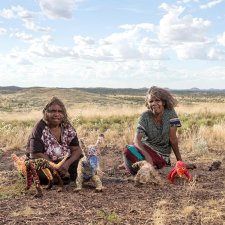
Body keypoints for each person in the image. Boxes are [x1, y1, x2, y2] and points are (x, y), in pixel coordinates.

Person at [122, 86, 183, 175]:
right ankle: (143, 166)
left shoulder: (171, 114)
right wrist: (147, 157)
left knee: (138, 162)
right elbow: (136, 140)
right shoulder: (145, 116)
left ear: (163, 102)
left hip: (161, 155)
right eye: (151, 101)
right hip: (145, 150)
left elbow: (173, 140)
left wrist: (180, 162)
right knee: (128, 149)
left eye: (157, 100)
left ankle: (137, 166)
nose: (154, 103)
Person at [26, 96, 83, 184]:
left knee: (83, 162)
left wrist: (66, 164)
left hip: (64, 162)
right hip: (46, 163)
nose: (57, 114)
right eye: (52, 111)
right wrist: (56, 167)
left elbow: (77, 149)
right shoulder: (39, 128)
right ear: (45, 113)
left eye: (60, 111)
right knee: (37, 172)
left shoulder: (67, 127)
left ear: (63, 114)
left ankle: (62, 176)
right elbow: (35, 154)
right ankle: (63, 177)